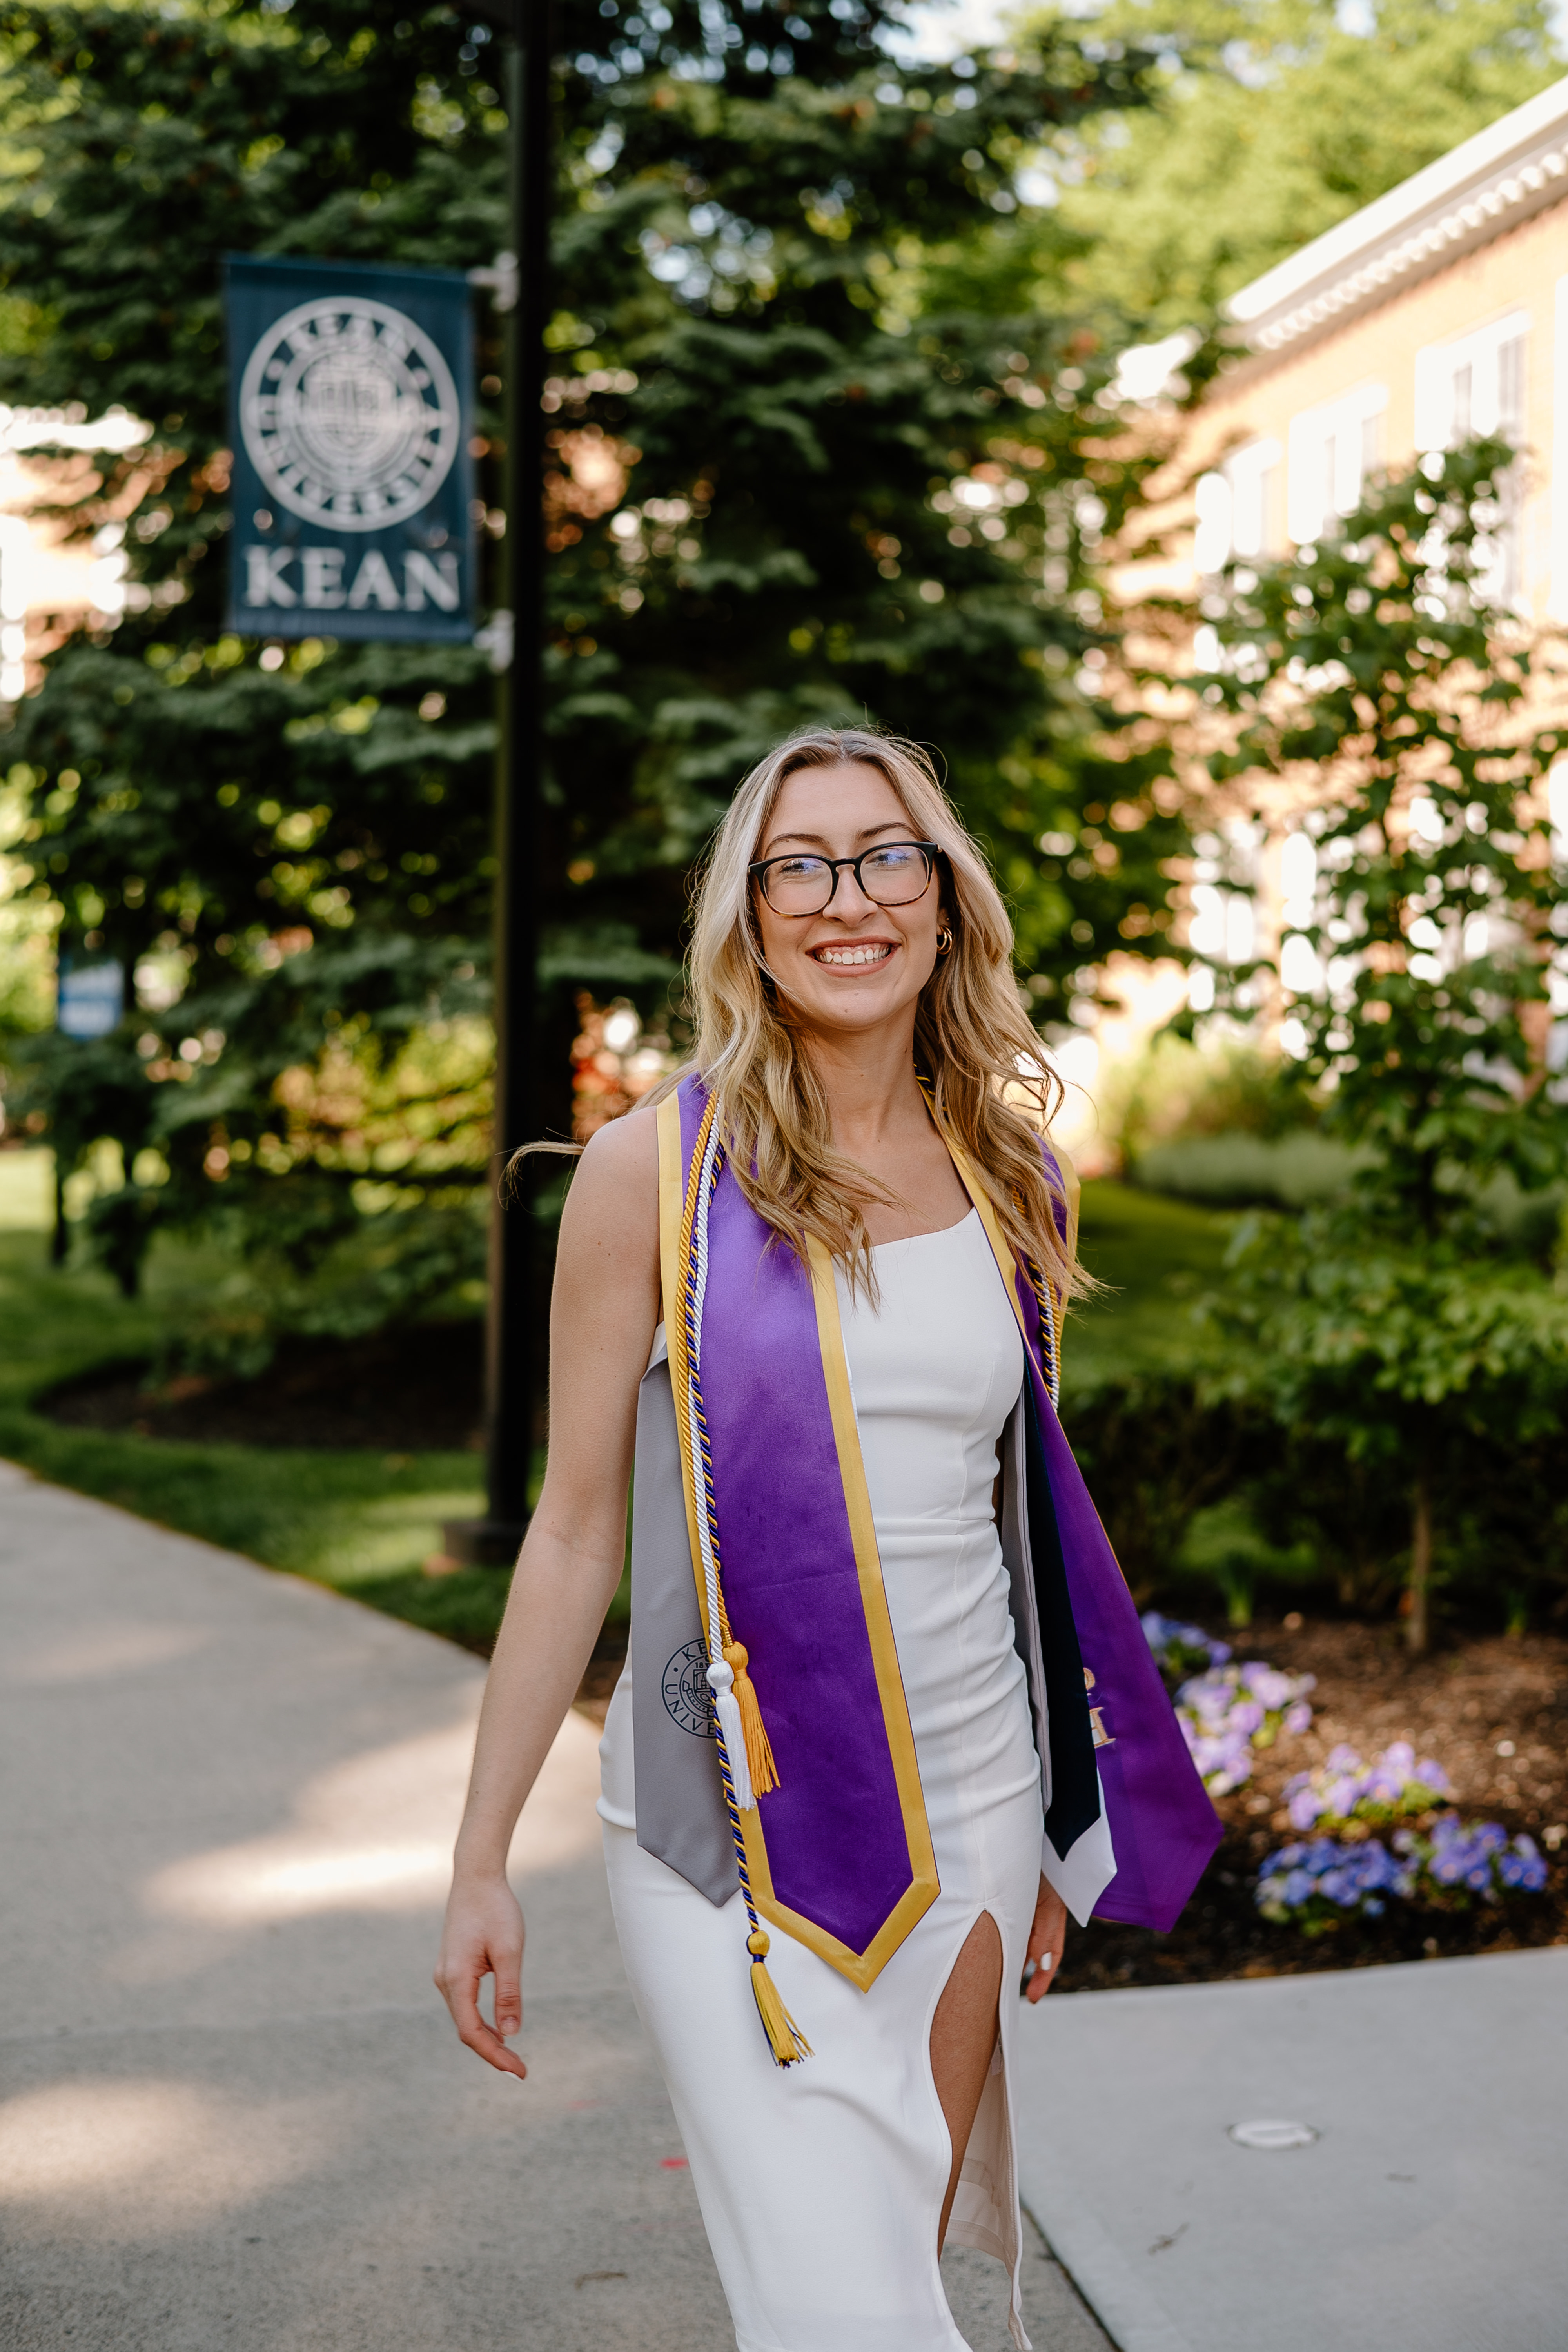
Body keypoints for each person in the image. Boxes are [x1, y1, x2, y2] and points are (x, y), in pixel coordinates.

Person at [436, 725, 1218, 2352]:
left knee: (891, 2278)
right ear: (749, 909)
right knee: (843, 2320)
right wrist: (478, 1860)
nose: (845, 898)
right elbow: (576, 1533)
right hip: (736, 1841)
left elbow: (1023, 1531)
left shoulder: (1014, 1176)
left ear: (944, 903)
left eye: (887, 857)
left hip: (976, 1817)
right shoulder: (657, 1173)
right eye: (801, 862)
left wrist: (1059, 1828)